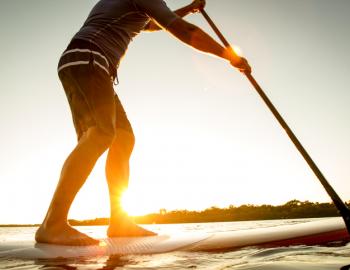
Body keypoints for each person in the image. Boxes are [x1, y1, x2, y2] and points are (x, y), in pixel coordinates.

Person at [35, 0, 251, 246]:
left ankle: (119, 222)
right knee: (101, 134)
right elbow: (182, 30)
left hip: (87, 63)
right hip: (90, 59)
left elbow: (149, 25)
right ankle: (52, 224)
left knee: (124, 139)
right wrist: (228, 56)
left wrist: (187, 8)